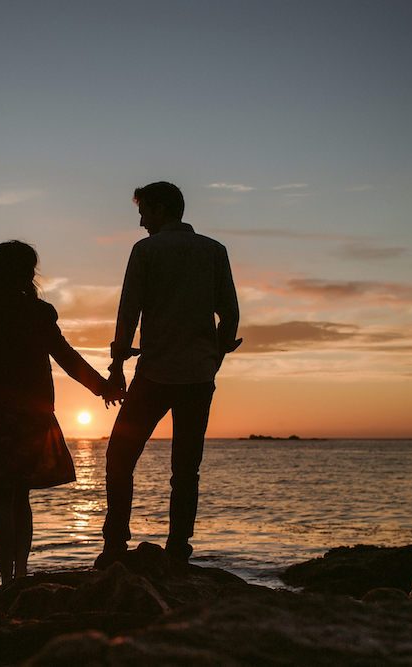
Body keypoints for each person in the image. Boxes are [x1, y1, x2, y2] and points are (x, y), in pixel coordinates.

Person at [0, 240, 114, 584]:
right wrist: (102, 387)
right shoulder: (36, 312)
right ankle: (20, 573)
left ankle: (8, 579)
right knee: (19, 494)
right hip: (28, 413)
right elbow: (66, 357)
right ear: (24, 272)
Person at [98, 181, 241, 565]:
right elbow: (230, 312)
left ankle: (115, 545)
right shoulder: (214, 251)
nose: (142, 222)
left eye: (144, 212)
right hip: (198, 376)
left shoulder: (146, 251)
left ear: (160, 209)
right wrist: (215, 357)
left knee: (119, 458)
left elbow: (129, 312)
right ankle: (178, 547)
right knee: (186, 468)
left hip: (155, 374)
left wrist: (116, 367)